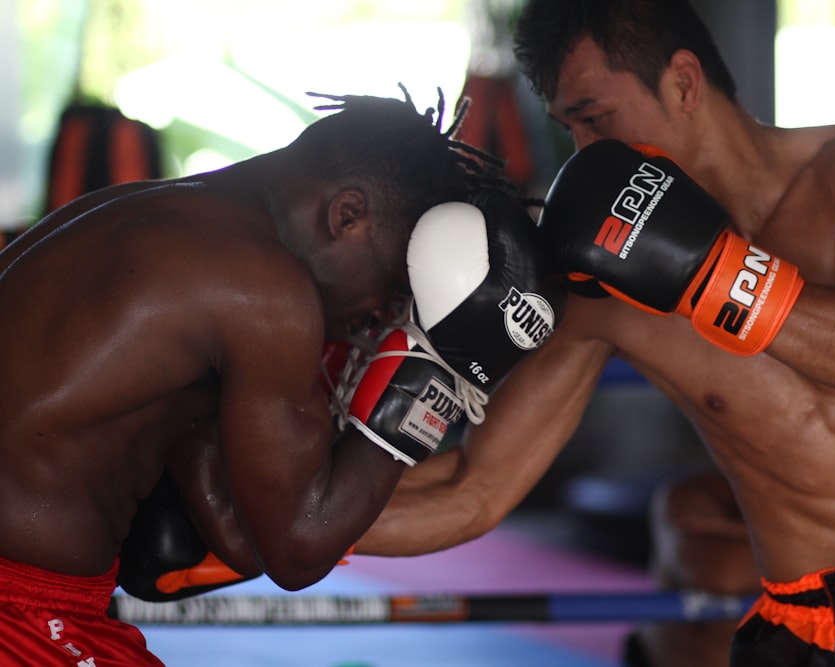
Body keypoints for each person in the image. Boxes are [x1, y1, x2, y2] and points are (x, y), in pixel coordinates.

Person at [355, 2, 835, 665]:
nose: (584, 155)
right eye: (570, 127)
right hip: (808, 631)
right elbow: (473, 488)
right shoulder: (603, 286)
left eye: (597, 118)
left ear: (684, 84)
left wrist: (713, 273)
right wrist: (275, 524)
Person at [0, 87, 564, 665]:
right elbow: (298, 551)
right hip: (17, 610)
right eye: (393, 287)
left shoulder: (146, 215)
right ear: (347, 215)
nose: (378, 317)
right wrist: (436, 379)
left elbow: (244, 536)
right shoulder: (266, 292)